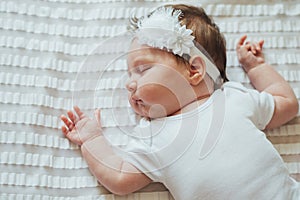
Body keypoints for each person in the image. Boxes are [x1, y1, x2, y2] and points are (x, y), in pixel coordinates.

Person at [60, 4, 299, 200]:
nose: (129, 84)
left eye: (142, 70)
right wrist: (92, 140)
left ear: (194, 70)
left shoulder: (233, 99)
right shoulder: (154, 136)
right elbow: (120, 178)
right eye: (129, 73)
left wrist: (255, 66)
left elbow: (286, 102)